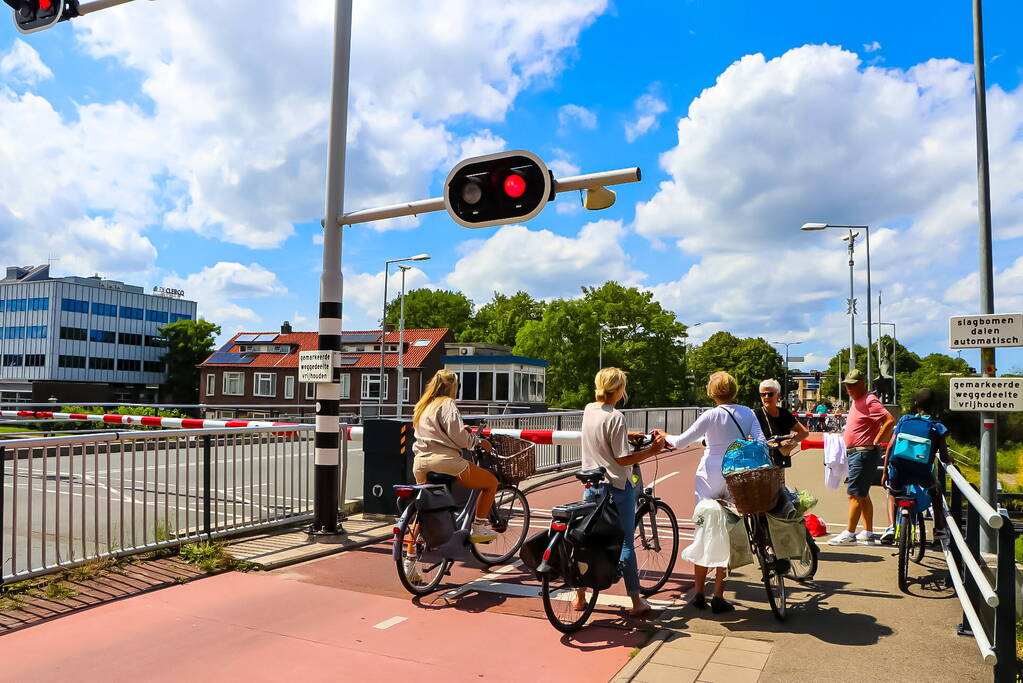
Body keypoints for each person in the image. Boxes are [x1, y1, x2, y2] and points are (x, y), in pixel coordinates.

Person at [654, 371, 765, 613]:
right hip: (736, 470)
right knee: (728, 530)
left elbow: (680, 441)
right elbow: (761, 441)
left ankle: (698, 593)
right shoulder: (748, 412)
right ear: (734, 389)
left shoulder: (711, 415)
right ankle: (718, 595)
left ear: (711, 392)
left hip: (710, 471)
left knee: (704, 528)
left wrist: (665, 436)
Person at [574, 367, 665, 617]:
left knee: (586, 539)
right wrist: (652, 451)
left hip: (591, 485)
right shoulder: (616, 416)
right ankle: (636, 602)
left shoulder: (589, 409)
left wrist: (626, 434)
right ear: (621, 389)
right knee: (625, 541)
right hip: (615, 486)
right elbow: (623, 459)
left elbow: (600, 435)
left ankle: (580, 596)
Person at [412, 369, 497, 544]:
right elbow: (458, 436)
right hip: (444, 461)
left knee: (425, 510)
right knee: (490, 483)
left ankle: (410, 558)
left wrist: (460, 432)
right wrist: (478, 441)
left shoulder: (423, 405)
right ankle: (479, 528)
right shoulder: (447, 403)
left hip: (420, 462)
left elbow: (439, 432)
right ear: (453, 386)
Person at [828, 370, 895, 545]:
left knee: (854, 494)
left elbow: (889, 420)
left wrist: (878, 438)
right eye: (847, 385)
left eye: (852, 384)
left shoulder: (869, 400)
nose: (849, 388)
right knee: (863, 494)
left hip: (863, 452)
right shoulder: (857, 400)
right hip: (857, 452)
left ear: (863, 383)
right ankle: (867, 531)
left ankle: (849, 533)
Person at [879, 389, 951, 543]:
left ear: (916, 404)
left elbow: (890, 447)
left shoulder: (904, 420)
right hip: (922, 471)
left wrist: (885, 472)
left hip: (899, 468)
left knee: (893, 493)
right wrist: (950, 460)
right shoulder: (937, 427)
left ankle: (891, 527)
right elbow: (944, 457)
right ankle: (939, 529)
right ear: (934, 407)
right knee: (936, 492)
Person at [755, 379, 809, 468]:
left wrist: (790, 442)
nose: (766, 397)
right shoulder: (756, 415)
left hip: (780, 461)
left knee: (779, 481)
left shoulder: (784, 413)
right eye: (763, 394)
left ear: (778, 396)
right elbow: (749, 438)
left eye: (770, 394)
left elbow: (804, 432)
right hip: (761, 462)